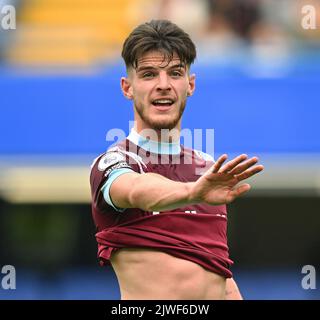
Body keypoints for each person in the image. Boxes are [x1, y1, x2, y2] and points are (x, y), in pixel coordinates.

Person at [90, 19, 264, 300]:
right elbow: (138, 190)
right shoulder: (112, 163)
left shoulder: (207, 168)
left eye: (175, 73)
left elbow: (217, 272)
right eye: (148, 74)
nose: (163, 85)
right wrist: (193, 192)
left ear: (190, 84)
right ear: (127, 87)